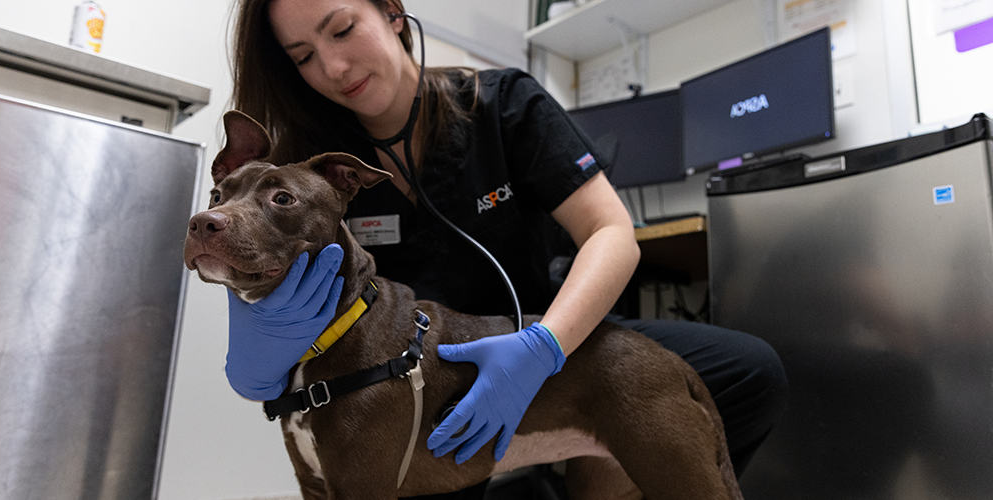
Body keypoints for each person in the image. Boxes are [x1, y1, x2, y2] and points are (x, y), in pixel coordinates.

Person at [226, 0, 789, 498]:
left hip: (551, 340)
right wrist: (256, 347)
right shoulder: (315, 166)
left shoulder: (503, 105)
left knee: (747, 371)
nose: (333, 67)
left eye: (343, 29)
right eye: (303, 56)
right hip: (422, 379)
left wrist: (543, 347)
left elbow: (611, 233)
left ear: (393, 13)